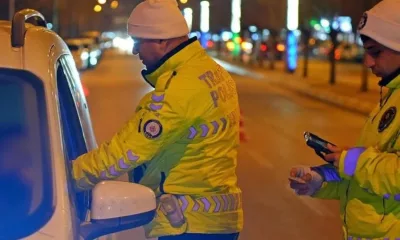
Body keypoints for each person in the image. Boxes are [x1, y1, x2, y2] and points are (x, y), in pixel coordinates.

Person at [71, 0, 243, 239]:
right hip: (216, 221)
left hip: (187, 226)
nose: (135, 51)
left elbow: (126, 152)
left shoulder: (178, 89)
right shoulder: (210, 71)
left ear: (162, 40)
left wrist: (67, 177)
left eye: (138, 42)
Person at [289, 0, 400, 239]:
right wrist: (320, 181)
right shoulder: (392, 95)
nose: (368, 62)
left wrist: (349, 161)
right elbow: (372, 179)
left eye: (376, 52)